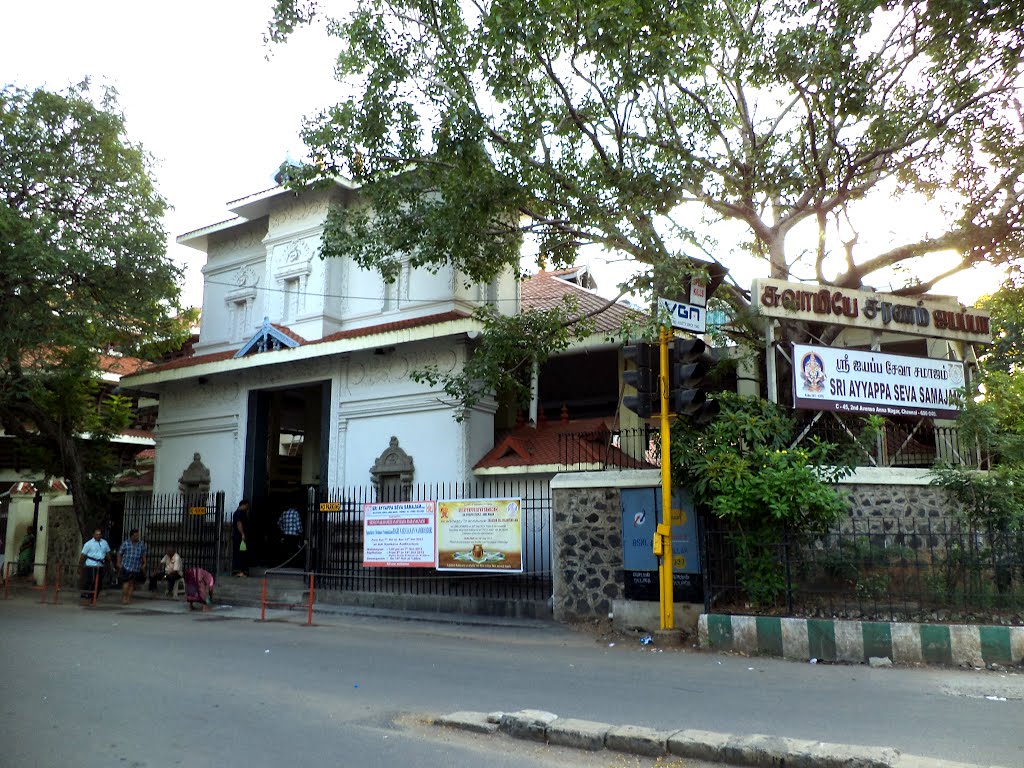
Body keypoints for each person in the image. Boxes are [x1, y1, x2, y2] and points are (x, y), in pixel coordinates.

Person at [116, 528, 148, 605]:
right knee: (126, 582)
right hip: (127, 566)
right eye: (135, 536)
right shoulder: (126, 543)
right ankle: (124, 597)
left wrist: (144, 563)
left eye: (137, 535)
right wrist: (119, 563)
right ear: (131, 536)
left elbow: (143, 555)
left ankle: (128, 598)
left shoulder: (141, 544)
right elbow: (120, 553)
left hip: (136, 566)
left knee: (132, 583)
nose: (137, 537)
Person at [79, 528, 111, 600]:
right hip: (91, 564)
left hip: (100, 564)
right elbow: (83, 555)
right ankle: (86, 593)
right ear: (93, 535)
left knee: (99, 582)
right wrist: (80, 565)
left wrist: (110, 563)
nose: (98, 536)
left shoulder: (104, 543)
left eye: (99, 534)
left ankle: (94, 597)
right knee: (91, 580)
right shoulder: (88, 544)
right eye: (97, 534)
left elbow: (107, 553)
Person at [277, 501, 303, 565]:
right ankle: (292, 564)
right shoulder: (296, 513)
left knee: (287, 550)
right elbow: (298, 525)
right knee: (293, 551)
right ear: (295, 507)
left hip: (286, 535)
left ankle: (286, 564)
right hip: (294, 536)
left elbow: (278, 523)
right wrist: (301, 532)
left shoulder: (284, 513)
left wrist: (283, 529)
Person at [232, 499, 250, 577]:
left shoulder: (238, 513)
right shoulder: (239, 513)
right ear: (244, 505)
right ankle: (239, 571)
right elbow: (239, 523)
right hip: (240, 537)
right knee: (241, 553)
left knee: (241, 552)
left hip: (238, 536)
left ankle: (239, 571)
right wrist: (242, 534)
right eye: (247, 506)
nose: (247, 508)